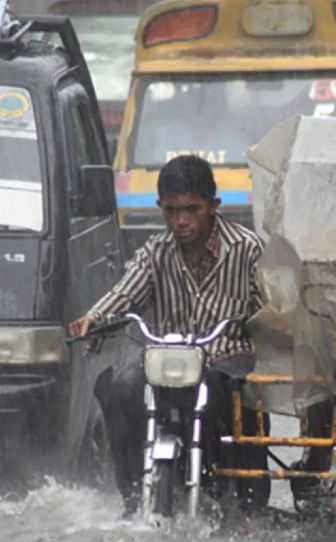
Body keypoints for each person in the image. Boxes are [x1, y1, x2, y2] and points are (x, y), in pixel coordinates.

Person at [68, 155, 269, 516]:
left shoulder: (247, 248)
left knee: (227, 392)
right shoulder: (155, 252)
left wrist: (269, 324)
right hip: (165, 359)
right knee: (121, 388)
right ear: (161, 209)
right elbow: (126, 292)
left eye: (192, 209)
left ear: (213, 206)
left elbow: (270, 308)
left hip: (226, 359)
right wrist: (94, 317)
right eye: (172, 211)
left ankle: (237, 493)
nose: (182, 220)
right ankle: (132, 498)